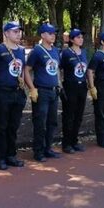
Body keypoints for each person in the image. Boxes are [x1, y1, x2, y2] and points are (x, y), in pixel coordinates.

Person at [0, 21, 27, 170]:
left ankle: (11, 155)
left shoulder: (22, 50)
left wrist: (23, 87)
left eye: (19, 31)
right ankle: (0, 158)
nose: (19, 34)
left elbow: (22, 69)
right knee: (2, 126)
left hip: (17, 92)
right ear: (7, 33)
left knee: (13, 126)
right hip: (3, 91)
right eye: (15, 31)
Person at [24, 23, 62, 162]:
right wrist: (32, 88)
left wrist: (59, 84)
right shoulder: (37, 51)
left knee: (52, 122)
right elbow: (26, 70)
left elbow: (57, 69)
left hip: (53, 91)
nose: (53, 35)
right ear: (43, 35)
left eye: (54, 33)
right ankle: (38, 151)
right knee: (40, 122)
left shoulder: (56, 50)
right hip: (42, 91)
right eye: (50, 33)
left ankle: (48, 148)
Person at [59, 28, 88, 154]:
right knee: (69, 115)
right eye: (78, 37)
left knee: (79, 115)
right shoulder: (66, 53)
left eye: (81, 37)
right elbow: (59, 69)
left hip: (82, 86)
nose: (81, 39)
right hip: (70, 86)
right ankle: (67, 143)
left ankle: (74, 140)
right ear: (71, 40)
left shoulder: (84, 52)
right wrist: (60, 85)